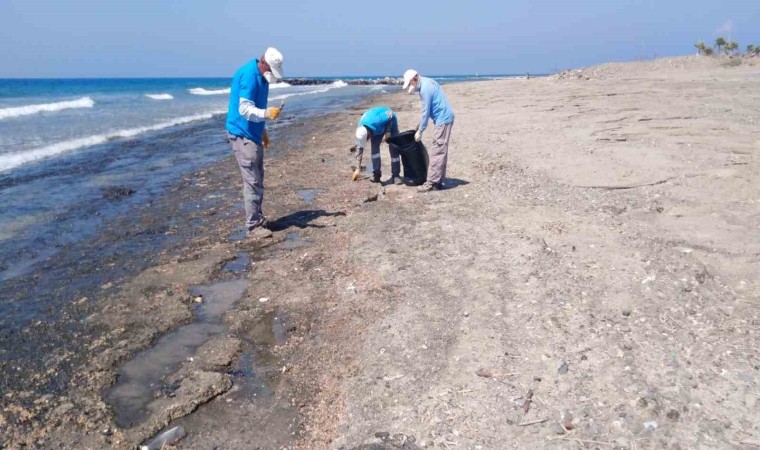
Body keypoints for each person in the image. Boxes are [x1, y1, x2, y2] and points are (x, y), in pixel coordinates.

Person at [226, 47, 284, 239]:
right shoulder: (250, 76)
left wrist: (263, 130)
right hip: (242, 134)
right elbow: (244, 109)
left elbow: (256, 108)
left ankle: (258, 218)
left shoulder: (262, 77)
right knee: (252, 181)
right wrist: (266, 113)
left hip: (254, 133)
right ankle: (252, 226)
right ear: (264, 64)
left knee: (259, 178)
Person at [402, 69, 455, 192]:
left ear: (414, 79)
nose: (411, 87)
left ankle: (431, 183)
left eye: (410, 84)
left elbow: (425, 113)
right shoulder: (427, 81)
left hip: (443, 119)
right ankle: (438, 180)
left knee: (437, 150)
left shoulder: (425, 89)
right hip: (446, 117)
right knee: (441, 150)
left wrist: (420, 130)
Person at [351, 106, 401, 184]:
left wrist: (388, 132)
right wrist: (358, 168)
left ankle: (396, 175)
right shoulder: (360, 130)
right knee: (375, 151)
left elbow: (390, 115)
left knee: (394, 148)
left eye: (367, 138)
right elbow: (359, 149)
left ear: (369, 134)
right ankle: (376, 174)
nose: (367, 140)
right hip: (376, 129)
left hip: (390, 122)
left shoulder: (377, 120)